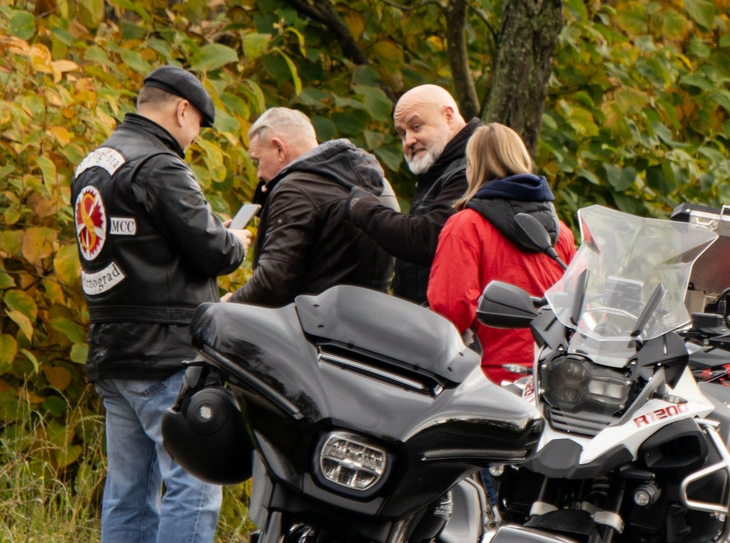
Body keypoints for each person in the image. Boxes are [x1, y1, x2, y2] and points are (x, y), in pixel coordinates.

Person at [72, 66, 250, 543]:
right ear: (179, 112)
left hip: (112, 349)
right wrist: (238, 240)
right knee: (193, 486)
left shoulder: (94, 164)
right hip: (167, 347)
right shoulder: (162, 166)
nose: (194, 136)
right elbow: (212, 250)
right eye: (197, 124)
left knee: (127, 494)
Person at [427, 125, 578, 383]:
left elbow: (451, 310)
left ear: (473, 166)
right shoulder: (561, 232)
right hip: (554, 379)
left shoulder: (466, 225)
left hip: (489, 382)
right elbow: (577, 306)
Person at [227, 107, 399, 308]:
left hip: (312, 328)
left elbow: (272, 285)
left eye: (257, 160)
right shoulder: (380, 183)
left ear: (279, 149)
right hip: (371, 323)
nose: (258, 174)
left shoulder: (295, 189)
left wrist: (229, 305)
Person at [347, 85, 478, 306]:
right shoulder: (442, 166)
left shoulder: (472, 165)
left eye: (416, 126)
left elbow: (428, 239)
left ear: (448, 116)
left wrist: (363, 207)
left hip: (450, 327)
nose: (408, 141)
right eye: (402, 133)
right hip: (427, 320)